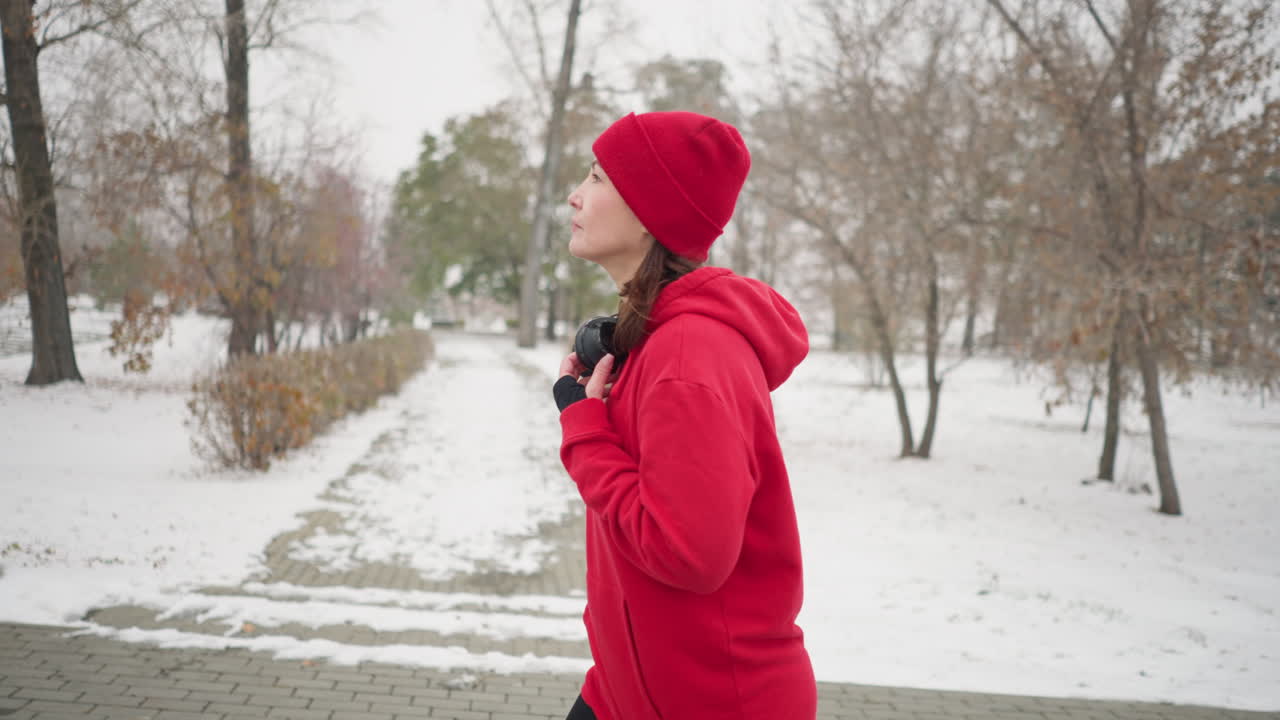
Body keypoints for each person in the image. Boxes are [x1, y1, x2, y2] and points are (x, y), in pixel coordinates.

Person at [552, 110, 817, 720]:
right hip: (626, 689)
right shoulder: (649, 341)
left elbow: (687, 554)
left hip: (713, 702)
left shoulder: (688, 356)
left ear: (649, 212)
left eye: (596, 178)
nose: (576, 193)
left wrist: (585, 432)